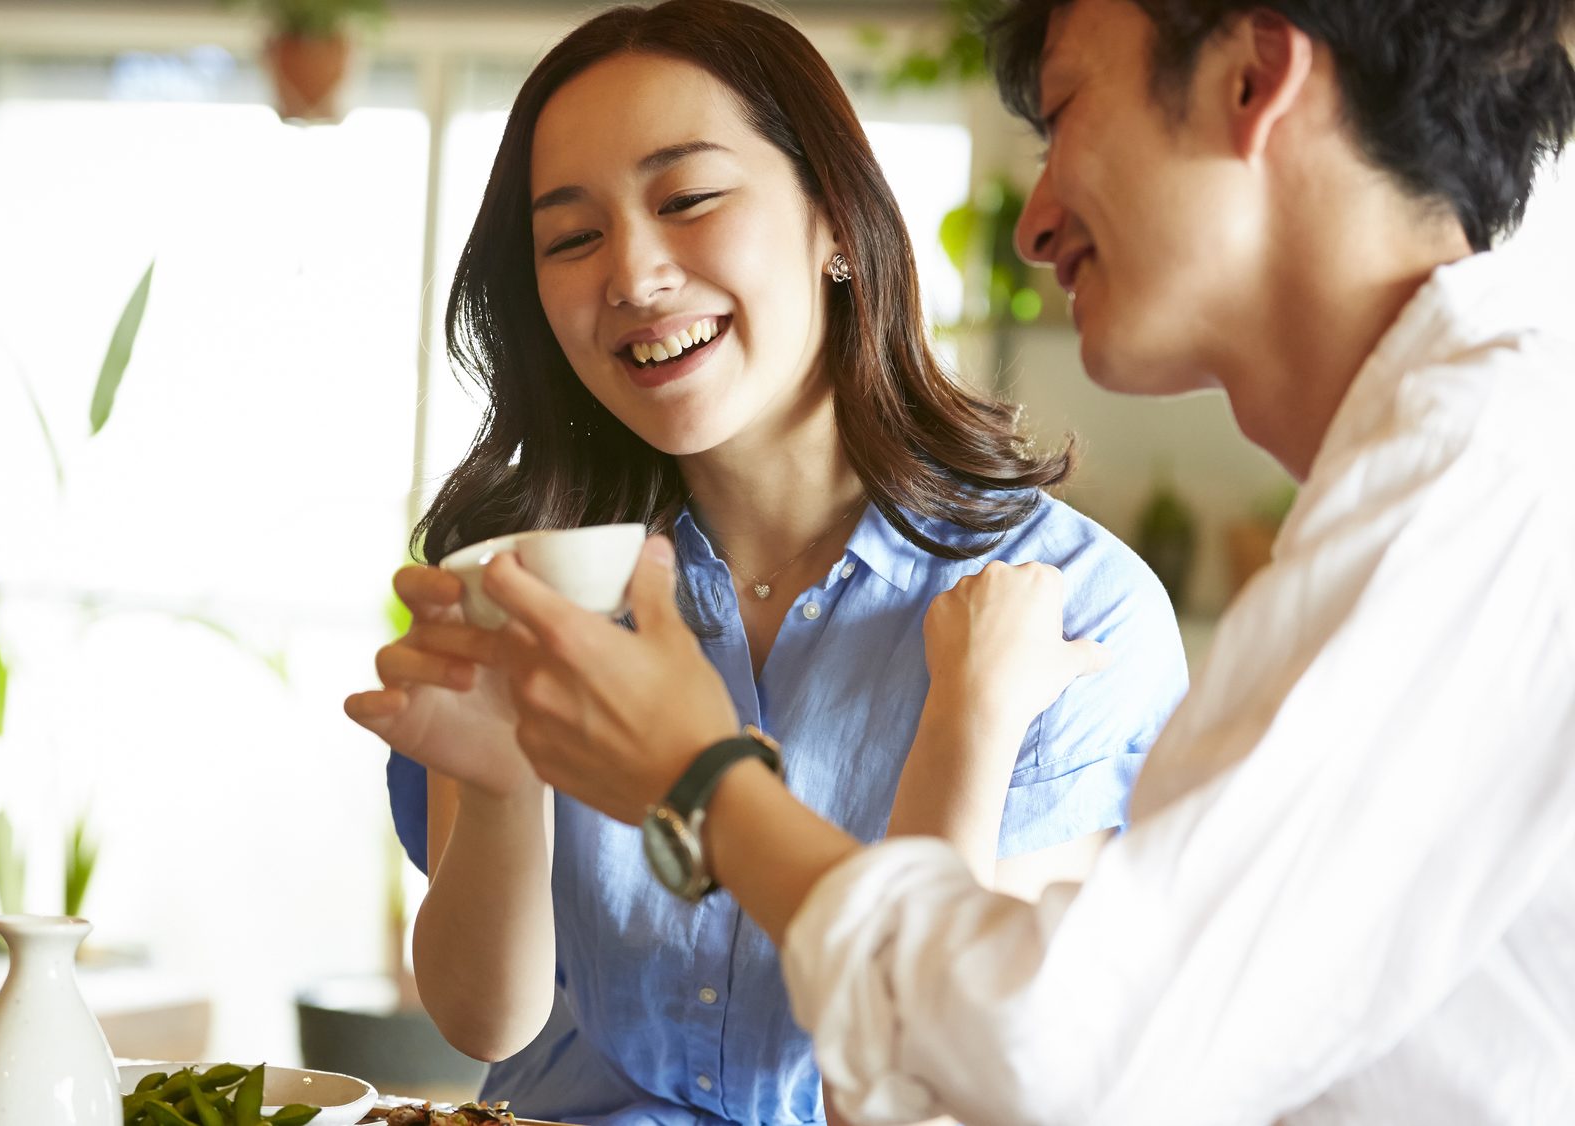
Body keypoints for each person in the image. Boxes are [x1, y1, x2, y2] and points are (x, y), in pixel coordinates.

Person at [468, 0, 1575, 1121]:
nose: (1034, 225)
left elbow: (1064, 1051)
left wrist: (702, 781)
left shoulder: (1478, 474)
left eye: (1061, 117)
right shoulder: (1449, 466)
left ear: (1251, 83)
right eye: (570, 235)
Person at [341, 1, 1189, 1122]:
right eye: (570, 237)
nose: (632, 276)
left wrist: (961, 723)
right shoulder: (530, 576)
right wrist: (498, 780)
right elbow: (480, 1019)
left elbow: (923, 1084)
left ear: (835, 220)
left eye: (687, 199)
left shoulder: (1066, 613)